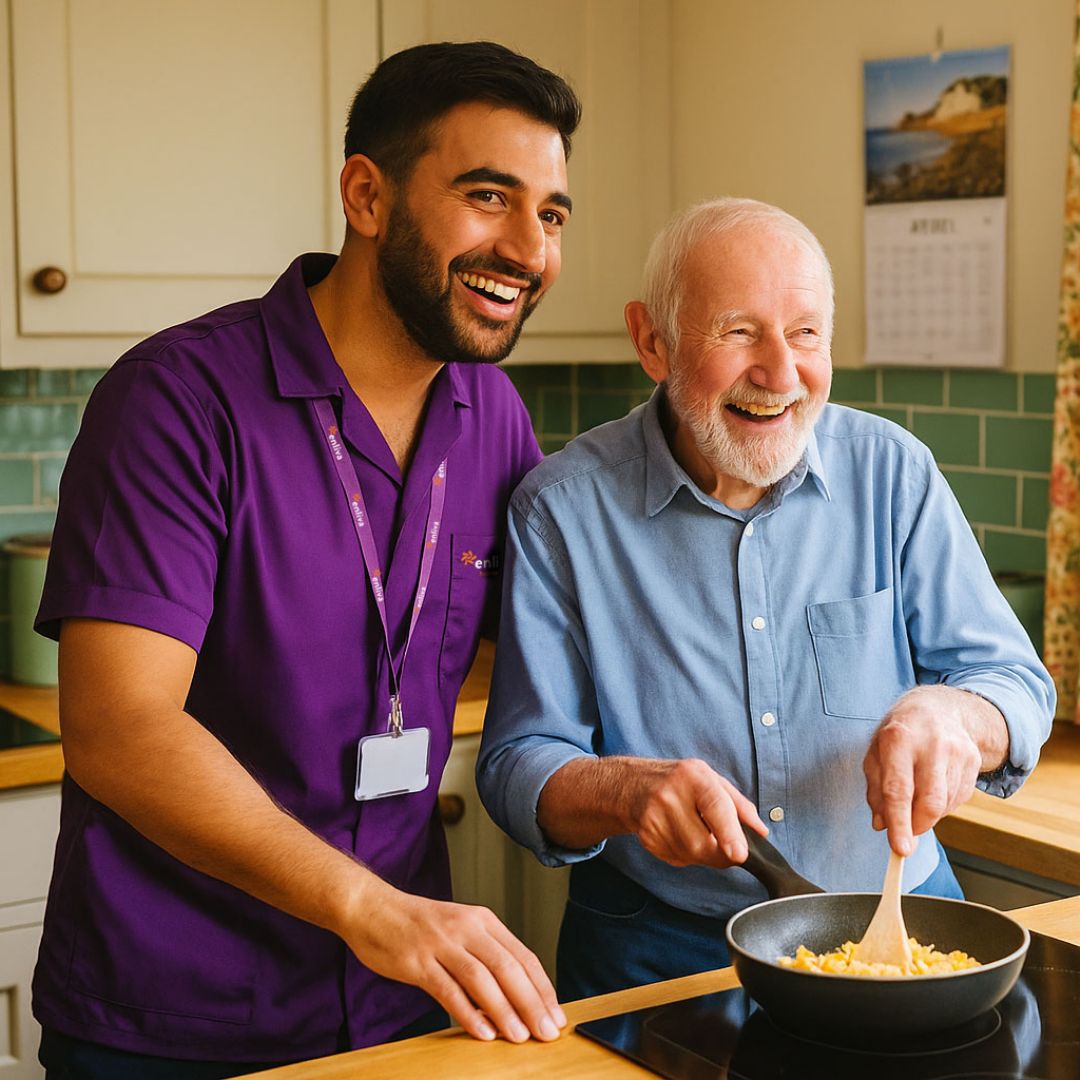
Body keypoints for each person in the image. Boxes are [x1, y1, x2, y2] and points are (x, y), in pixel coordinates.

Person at [32, 41, 580, 1077]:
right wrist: (372, 910)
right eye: (488, 196)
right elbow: (118, 727)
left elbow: (547, 647)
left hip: (400, 1004)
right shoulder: (175, 401)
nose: (528, 248)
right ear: (366, 197)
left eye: (550, 214)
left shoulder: (493, 412)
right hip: (172, 1019)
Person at [476, 197, 1055, 1002]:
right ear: (653, 340)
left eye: (806, 333)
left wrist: (956, 718)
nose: (781, 374)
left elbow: (1015, 684)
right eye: (740, 331)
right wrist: (625, 791)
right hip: (660, 949)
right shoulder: (562, 510)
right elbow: (515, 763)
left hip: (899, 928)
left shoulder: (895, 472)